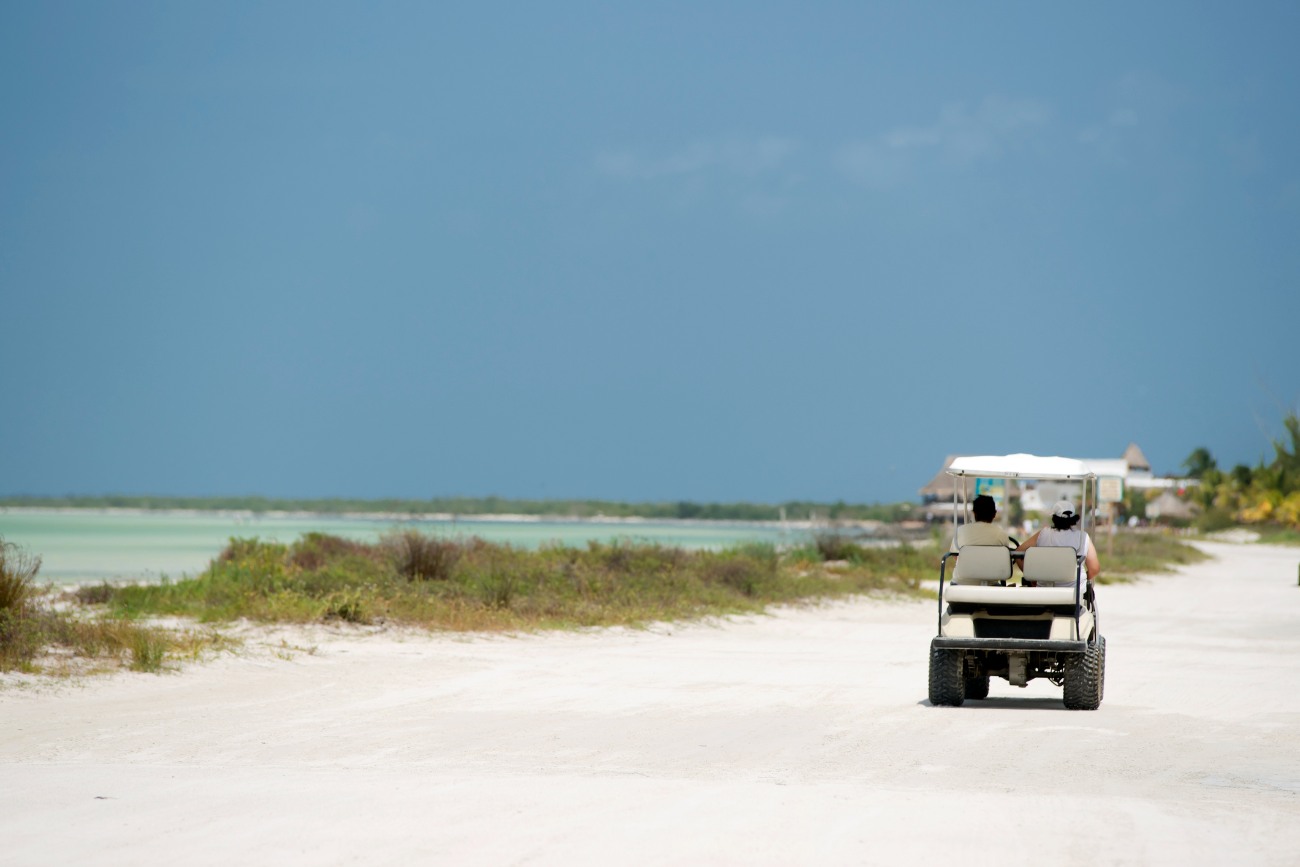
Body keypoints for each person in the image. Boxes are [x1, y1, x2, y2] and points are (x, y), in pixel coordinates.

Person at [1016, 499, 1101, 583]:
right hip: (1074, 591)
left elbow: (1018, 553)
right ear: (1073, 519)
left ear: (1054, 518)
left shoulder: (1043, 534)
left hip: (1045, 589)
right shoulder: (1083, 537)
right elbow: (1094, 569)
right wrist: (1082, 581)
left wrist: (1032, 578)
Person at [948, 494, 1014, 554]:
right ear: (994, 514)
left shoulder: (960, 531)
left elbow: (955, 555)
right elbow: (1005, 556)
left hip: (967, 567)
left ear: (974, 513)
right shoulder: (1001, 534)